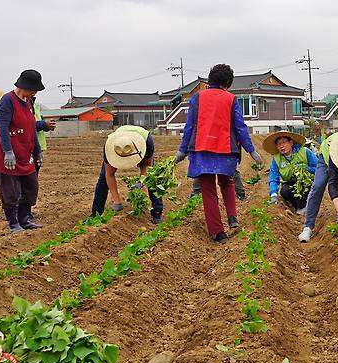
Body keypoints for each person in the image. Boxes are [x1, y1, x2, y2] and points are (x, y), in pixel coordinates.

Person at [175, 64, 262, 244]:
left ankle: (218, 233)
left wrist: (182, 150)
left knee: (207, 190)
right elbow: (240, 127)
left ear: (210, 80)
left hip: (201, 148)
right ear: (227, 83)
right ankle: (232, 218)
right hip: (225, 148)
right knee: (227, 182)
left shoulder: (196, 98)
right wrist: (251, 150)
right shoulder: (231, 99)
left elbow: (189, 126)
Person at [0, 70, 45, 233]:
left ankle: (25, 219)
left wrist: (37, 150)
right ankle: (14, 223)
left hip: (25, 154)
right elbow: (3, 127)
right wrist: (8, 151)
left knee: (31, 187)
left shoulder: (28, 101)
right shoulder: (7, 101)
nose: (35, 92)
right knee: (10, 191)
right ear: (25, 86)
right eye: (34, 89)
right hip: (8, 155)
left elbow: (31, 128)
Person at [91, 125, 164, 223]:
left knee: (152, 177)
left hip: (142, 141)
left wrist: (141, 181)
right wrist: (117, 201)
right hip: (120, 140)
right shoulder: (109, 147)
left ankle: (157, 212)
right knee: (103, 179)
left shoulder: (147, 142)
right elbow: (109, 174)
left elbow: (147, 166)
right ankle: (96, 213)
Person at [264, 130, 318, 215]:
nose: (281, 146)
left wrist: (306, 168)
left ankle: (309, 207)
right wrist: (273, 194)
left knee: (307, 189)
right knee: (285, 191)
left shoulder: (305, 152)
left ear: (291, 142)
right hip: (290, 182)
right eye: (278, 144)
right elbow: (273, 177)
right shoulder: (277, 159)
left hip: (307, 180)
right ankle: (299, 207)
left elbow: (319, 168)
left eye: (284, 142)